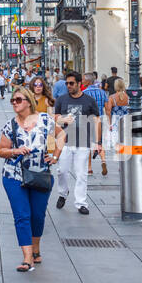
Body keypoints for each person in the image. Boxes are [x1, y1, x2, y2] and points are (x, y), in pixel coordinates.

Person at [0, 86, 63, 271]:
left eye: (18, 100)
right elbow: (1, 150)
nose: (15, 103)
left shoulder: (44, 120)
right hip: (14, 175)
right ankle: (27, 258)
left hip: (40, 175)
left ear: (28, 101)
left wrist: (56, 155)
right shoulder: (10, 125)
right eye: (13, 100)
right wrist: (15, 151)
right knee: (22, 216)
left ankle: (36, 248)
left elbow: (62, 134)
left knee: (37, 216)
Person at [53, 73, 101, 215]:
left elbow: (97, 121)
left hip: (83, 142)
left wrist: (98, 142)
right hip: (65, 142)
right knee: (62, 171)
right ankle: (63, 193)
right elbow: (55, 118)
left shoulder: (89, 101)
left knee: (81, 174)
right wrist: (63, 119)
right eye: (67, 83)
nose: (68, 86)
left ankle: (81, 203)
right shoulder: (61, 100)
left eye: (71, 83)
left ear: (79, 83)